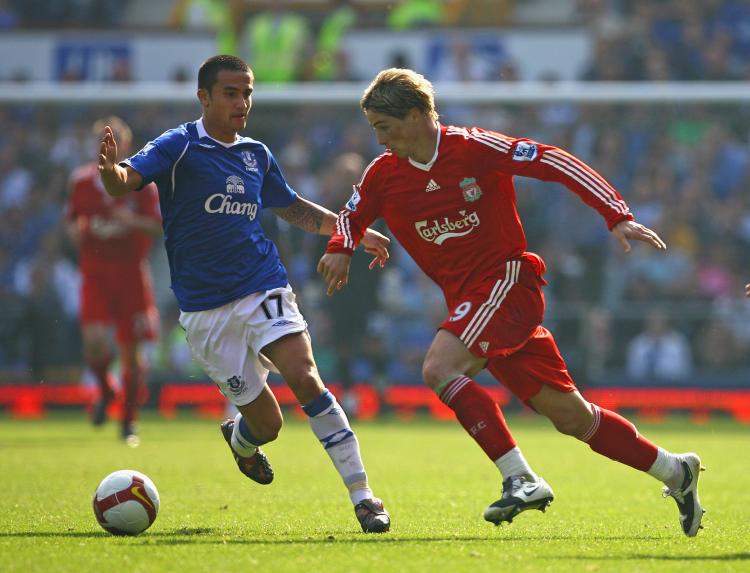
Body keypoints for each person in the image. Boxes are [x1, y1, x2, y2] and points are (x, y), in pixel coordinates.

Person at [318, 68, 705, 537]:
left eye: (384, 126)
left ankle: (520, 477)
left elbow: (555, 160)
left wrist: (616, 214)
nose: (379, 139)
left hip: (507, 283)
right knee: (573, 418)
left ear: (418, 115)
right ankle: (674, 471)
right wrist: (341, 248)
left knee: (439, 368)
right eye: (374, 128)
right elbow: (350, 214)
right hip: (479, 305)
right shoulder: (383, 174)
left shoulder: (473, 147)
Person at [97, 54, 391, 534]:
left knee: (305, 377)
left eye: (248, 92)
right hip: (206, 311)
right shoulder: (180, 146)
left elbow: (291, 207)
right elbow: (125, 180)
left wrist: (350, 230)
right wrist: (111, 172)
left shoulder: (256, 154)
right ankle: (241, 440)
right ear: (205, 97)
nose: (242, 102)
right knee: (267, 424)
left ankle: (364, 497)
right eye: (231, 93)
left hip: (262, 285)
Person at [65, 116, 162, 446]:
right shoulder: (80, 181)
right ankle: (107, 392)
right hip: (96, 271)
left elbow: (159, 227)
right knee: (93, 340)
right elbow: (72, 221)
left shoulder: (141, 181)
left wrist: (130, 219)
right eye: (104, 140)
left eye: (116, 139)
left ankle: (128, 421)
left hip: (131, 271)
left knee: (132, 351)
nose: (109, 146)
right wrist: (77, 233)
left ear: (127, 144)